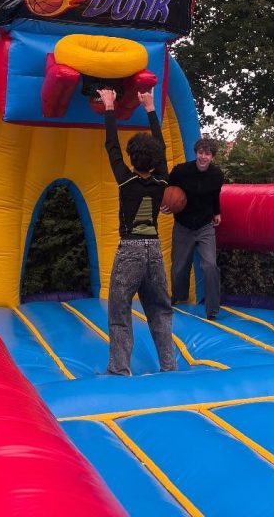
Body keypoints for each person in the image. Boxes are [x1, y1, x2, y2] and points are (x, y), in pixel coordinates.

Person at [99, 87, 177, 376]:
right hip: (154, 250)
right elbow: (162, 147)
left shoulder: (125, 180)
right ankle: (169, 366)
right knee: (160, 310)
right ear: (156, 159)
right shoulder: (162, 180)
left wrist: (109, 106)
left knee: (119, 311)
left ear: (132, 157)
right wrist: (150, 108)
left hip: (130, 250)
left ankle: (120, 368)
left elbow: (112, 146)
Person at [167, 138, 224, 319]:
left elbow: (215, 196)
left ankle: (212, 309)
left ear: (212, 157)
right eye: (200, 153)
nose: (203, 157)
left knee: (210, 266)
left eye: (207, 154)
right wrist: (165, 205)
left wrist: (217, 212)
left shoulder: (217, 175)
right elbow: (167, 191)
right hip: (183, 224)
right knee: (179, 267)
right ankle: (178, 296)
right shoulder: (180, 171)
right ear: (196, 153)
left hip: (205, 225)